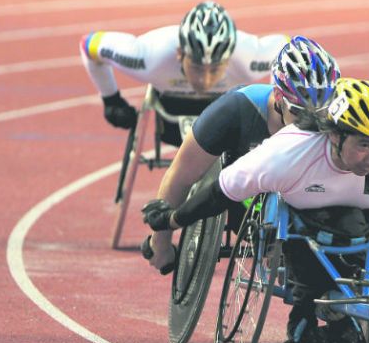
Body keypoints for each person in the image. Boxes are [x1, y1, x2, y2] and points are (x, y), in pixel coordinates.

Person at [141, 77, 369, 343]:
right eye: (364, 146)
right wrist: (173, 220)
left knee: (362, 232)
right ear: (335, 135)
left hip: (362, 231)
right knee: (300, 243)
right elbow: (222, 192)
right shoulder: (287, 152)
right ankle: (305, 313)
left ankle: (346, 311)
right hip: (303, 233)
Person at [142, 35, 341, 274]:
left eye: (320, 113)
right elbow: (181, 174)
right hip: (248, 200)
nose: (311, 124)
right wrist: (161, 244)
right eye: (300, 113)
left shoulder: (342, 112)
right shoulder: (236, 110)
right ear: (279, 98)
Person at [79, 0, 289, 147]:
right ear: (180, 54)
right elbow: (89, 45)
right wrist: (111, 99)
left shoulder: (250, 59)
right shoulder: (146, 57)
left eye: (215, 69)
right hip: (172, 118)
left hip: (227, 113)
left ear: (229, 58)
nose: (205, 80)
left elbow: (286, 46)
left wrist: (278, 108)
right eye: (197, 68)